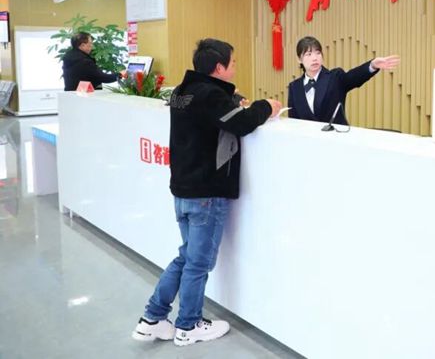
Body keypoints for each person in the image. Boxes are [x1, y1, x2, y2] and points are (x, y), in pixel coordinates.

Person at [131, 38, 281, 347]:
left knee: (187, 256)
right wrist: (266, 106)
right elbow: (242, 123)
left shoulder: (182, 92)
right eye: (233, 62)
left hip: (183, 190)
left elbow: (213, 114)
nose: (235, 67)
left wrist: (232, 100)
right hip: (205, 194)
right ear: (219, 68)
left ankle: (153, 318)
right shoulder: (210, 95)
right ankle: (188, 325)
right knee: (198, 263)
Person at [287, 36, 399, 125]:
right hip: (307, 143)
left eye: (318, 53)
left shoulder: (335, 77)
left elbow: (353, 77)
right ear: (299, 59)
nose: (315, 58)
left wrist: (372, 65)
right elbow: (293, 121)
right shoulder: (294, 87)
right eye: (309, 54)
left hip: (336, 140)